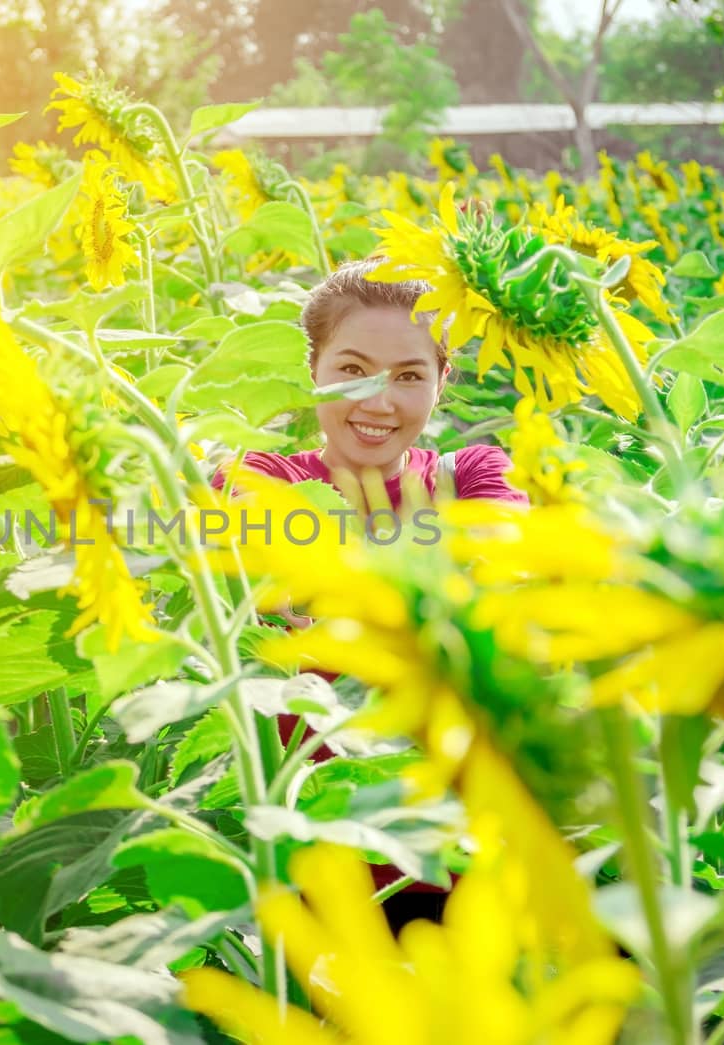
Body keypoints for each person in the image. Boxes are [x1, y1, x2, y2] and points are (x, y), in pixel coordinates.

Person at [209, 255, 528, 932]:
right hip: (302, 866)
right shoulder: (263, 475)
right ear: (313, 372)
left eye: (410, 375)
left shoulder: (472, 473)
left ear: (444, 382)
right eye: (352, 371)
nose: (378, 400)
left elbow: (509, 571)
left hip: (456, 855)